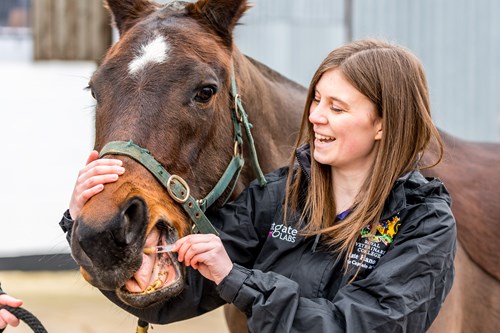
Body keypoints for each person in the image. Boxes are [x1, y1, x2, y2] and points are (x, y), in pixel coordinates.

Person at [62, 38, 456, 332]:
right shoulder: (277, 197)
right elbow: (171, 296)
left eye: (337, 107)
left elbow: (352, 326)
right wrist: (89, 229)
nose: (316, 116)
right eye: (316, 99)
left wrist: (236, 278)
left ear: (385, 123)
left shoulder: (425, 224)